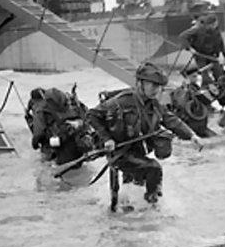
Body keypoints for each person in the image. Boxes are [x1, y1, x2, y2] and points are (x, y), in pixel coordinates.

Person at [87, 62, 203, 204]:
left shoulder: (154, 104)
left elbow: (170, 119)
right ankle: (152, 206)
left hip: (137, 151)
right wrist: (107, 139)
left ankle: (132, 214)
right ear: (140, 83)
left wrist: (192, 135)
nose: (156, 90)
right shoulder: (122, 101)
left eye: (159, 86)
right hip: (119, 153)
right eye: (153, 85)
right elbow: (92, 115)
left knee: (134, 189)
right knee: (154, 168)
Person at [31, 88, 94, 165]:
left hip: (58, 154)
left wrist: (35, 144)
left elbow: (38, 134)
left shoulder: (41, 111)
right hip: (80, 150)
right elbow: (89, 119)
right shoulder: (75, 105)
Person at [169, 63, 218, 138]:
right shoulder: (180, 91)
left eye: (197, 76)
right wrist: (186, 90)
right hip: (188, 125)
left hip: (201, 126)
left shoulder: (197, 89)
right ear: (187, 78)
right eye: (194, 76)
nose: (197, 78)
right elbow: (181, 103)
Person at [179, 14, 225, 86]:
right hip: (200, 55)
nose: (215, 26)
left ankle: (222, 88)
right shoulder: (197, 29)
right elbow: (183, 36)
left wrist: (224, 55)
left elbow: (220, 42)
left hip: (212, 56)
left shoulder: (216, 31)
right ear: (209, 24)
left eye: (216, 24)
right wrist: (190, 48)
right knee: (204, 77)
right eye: (213, 24)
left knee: (220, 75)